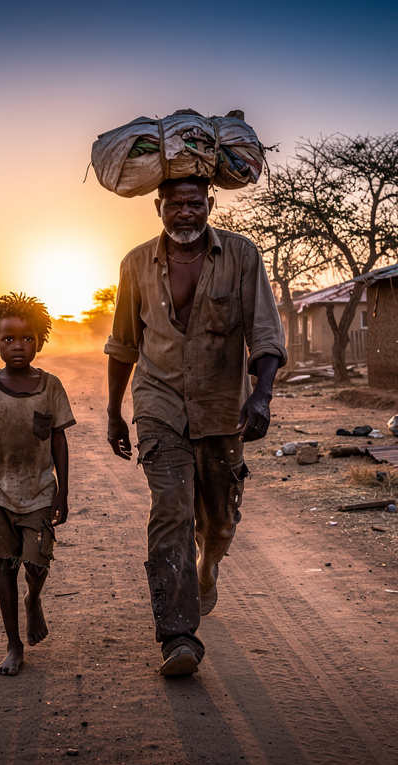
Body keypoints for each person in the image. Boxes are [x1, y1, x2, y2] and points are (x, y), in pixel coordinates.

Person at [105, 175, 287, 676]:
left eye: (194, 203)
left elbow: (265, 335)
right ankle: (178, 636)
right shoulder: (136, 264)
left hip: (221, 408)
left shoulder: (241, 256)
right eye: (175, 204)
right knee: (171, 511)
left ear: (210, 202)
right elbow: (123, 345)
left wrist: (262, 395)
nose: (185, 213)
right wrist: (113, 411)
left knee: (220, 520)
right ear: (157, 207)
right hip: (158, 404)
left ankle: (208, 567)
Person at [0, 293, 76, 676]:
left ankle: (34, 599)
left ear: (40, 341)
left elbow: (59, 439)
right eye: (8, 338)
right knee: (5, 566)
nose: (17, 345)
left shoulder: (50, 387)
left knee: (36, 563)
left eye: (27, 338)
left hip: (40, 489)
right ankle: (13, 646)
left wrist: (62, 490)